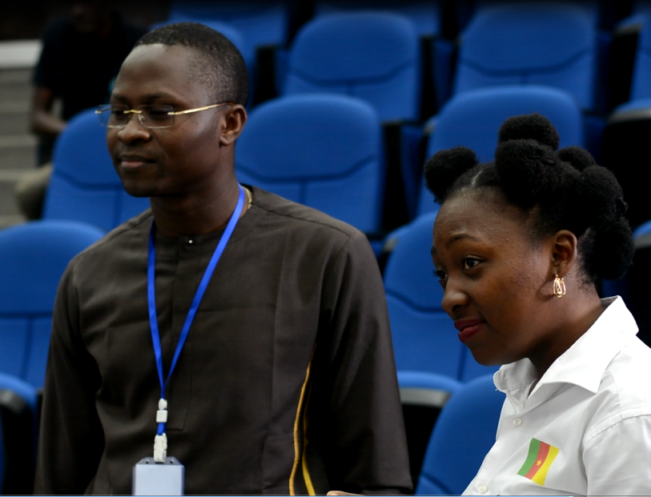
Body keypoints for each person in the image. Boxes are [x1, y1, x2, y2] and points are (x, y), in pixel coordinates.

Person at [34, 22, 412, 495]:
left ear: (230, 123)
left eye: (159, 112)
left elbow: (377, 474)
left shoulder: (325, 254)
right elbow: (60, 474)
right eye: (118, 112)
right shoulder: (88, 273)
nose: (130, 132)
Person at [424, 113, 651, 495]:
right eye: (442, 274)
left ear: (559, 255)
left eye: (471, 263)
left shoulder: (633, 413)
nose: (449, 298)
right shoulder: (532, 382)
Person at [16, 1, 145, 219]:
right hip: (74, 152)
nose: (77, 12)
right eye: (71, 4)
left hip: (127, 144)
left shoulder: (136, 40)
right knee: (28, 191)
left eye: (86, 3)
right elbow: (38, 117)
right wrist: (80, 136)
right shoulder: (58, 35)